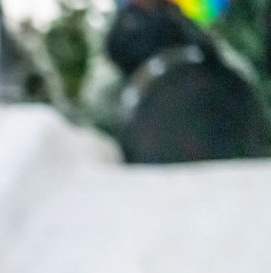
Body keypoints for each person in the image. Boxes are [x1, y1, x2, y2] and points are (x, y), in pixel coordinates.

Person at [104, 0, 271, 163]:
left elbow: (207, 26)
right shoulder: (127, 21)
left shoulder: (184, 12)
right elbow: (118, 51)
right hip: (146, 98)